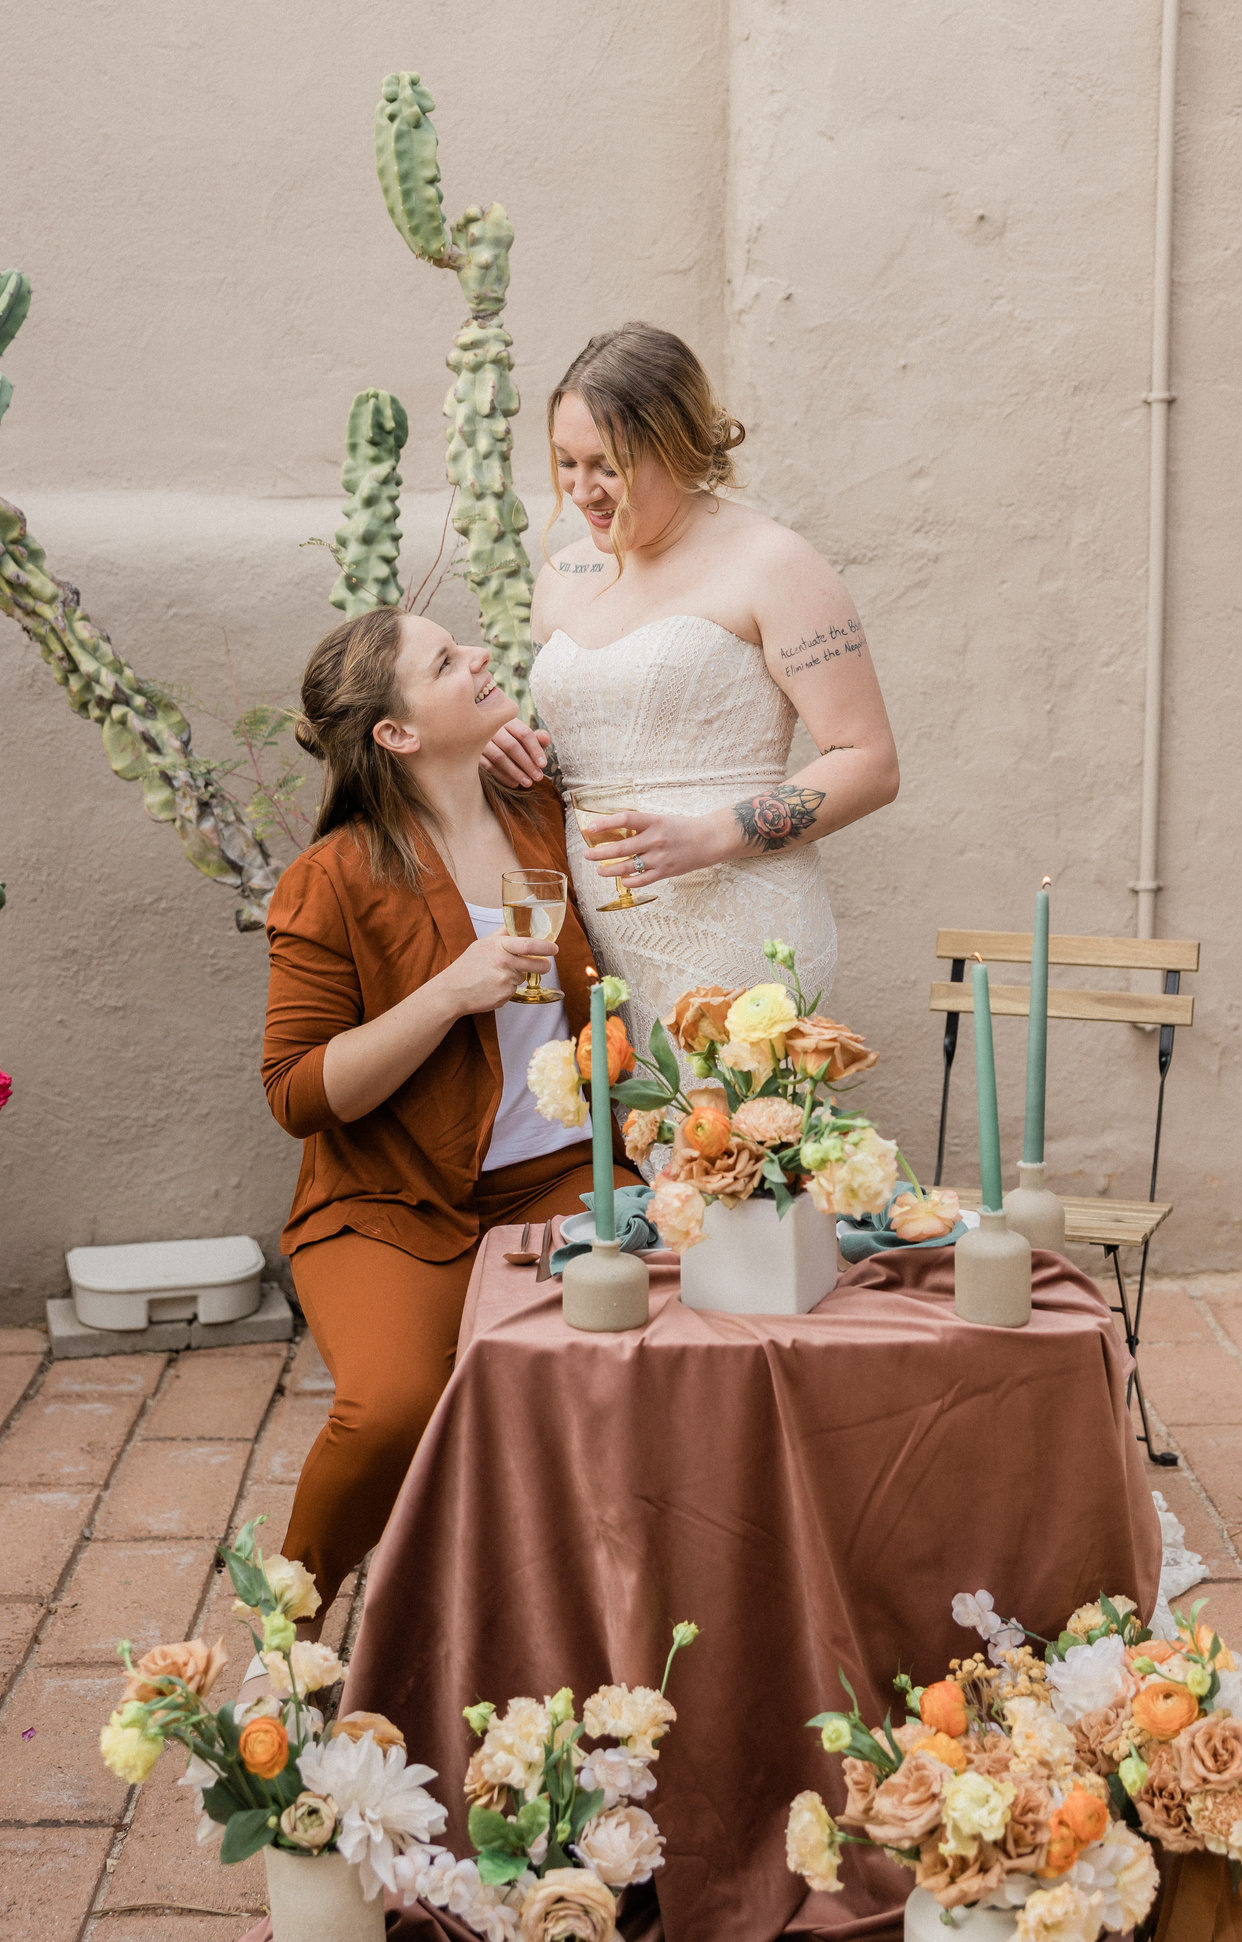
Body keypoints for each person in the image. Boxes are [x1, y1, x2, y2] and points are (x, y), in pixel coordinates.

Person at [259, 605, 638, 1632]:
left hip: (559, 1174)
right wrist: (443, 992)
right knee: (388, 1411)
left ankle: (569, 1620)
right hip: (387, 1199)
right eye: (445, 660)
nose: (477, 656)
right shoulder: (332, 879)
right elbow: (295, 1091)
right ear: (396, 733)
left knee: (639, 1366)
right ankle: (283, 1641)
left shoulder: (541, 814)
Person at [481, 320, 899, 1076]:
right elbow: (580, 745)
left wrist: (708, 838)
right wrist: (507, 753)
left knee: (720, 1166)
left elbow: (868, 761)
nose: (581, 492)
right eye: (564, 463)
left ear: (672, 446)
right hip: (592, 922)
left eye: (606, 466)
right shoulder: (564, 577)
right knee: (613, 1166)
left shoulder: (774, 565)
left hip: (732, 912)